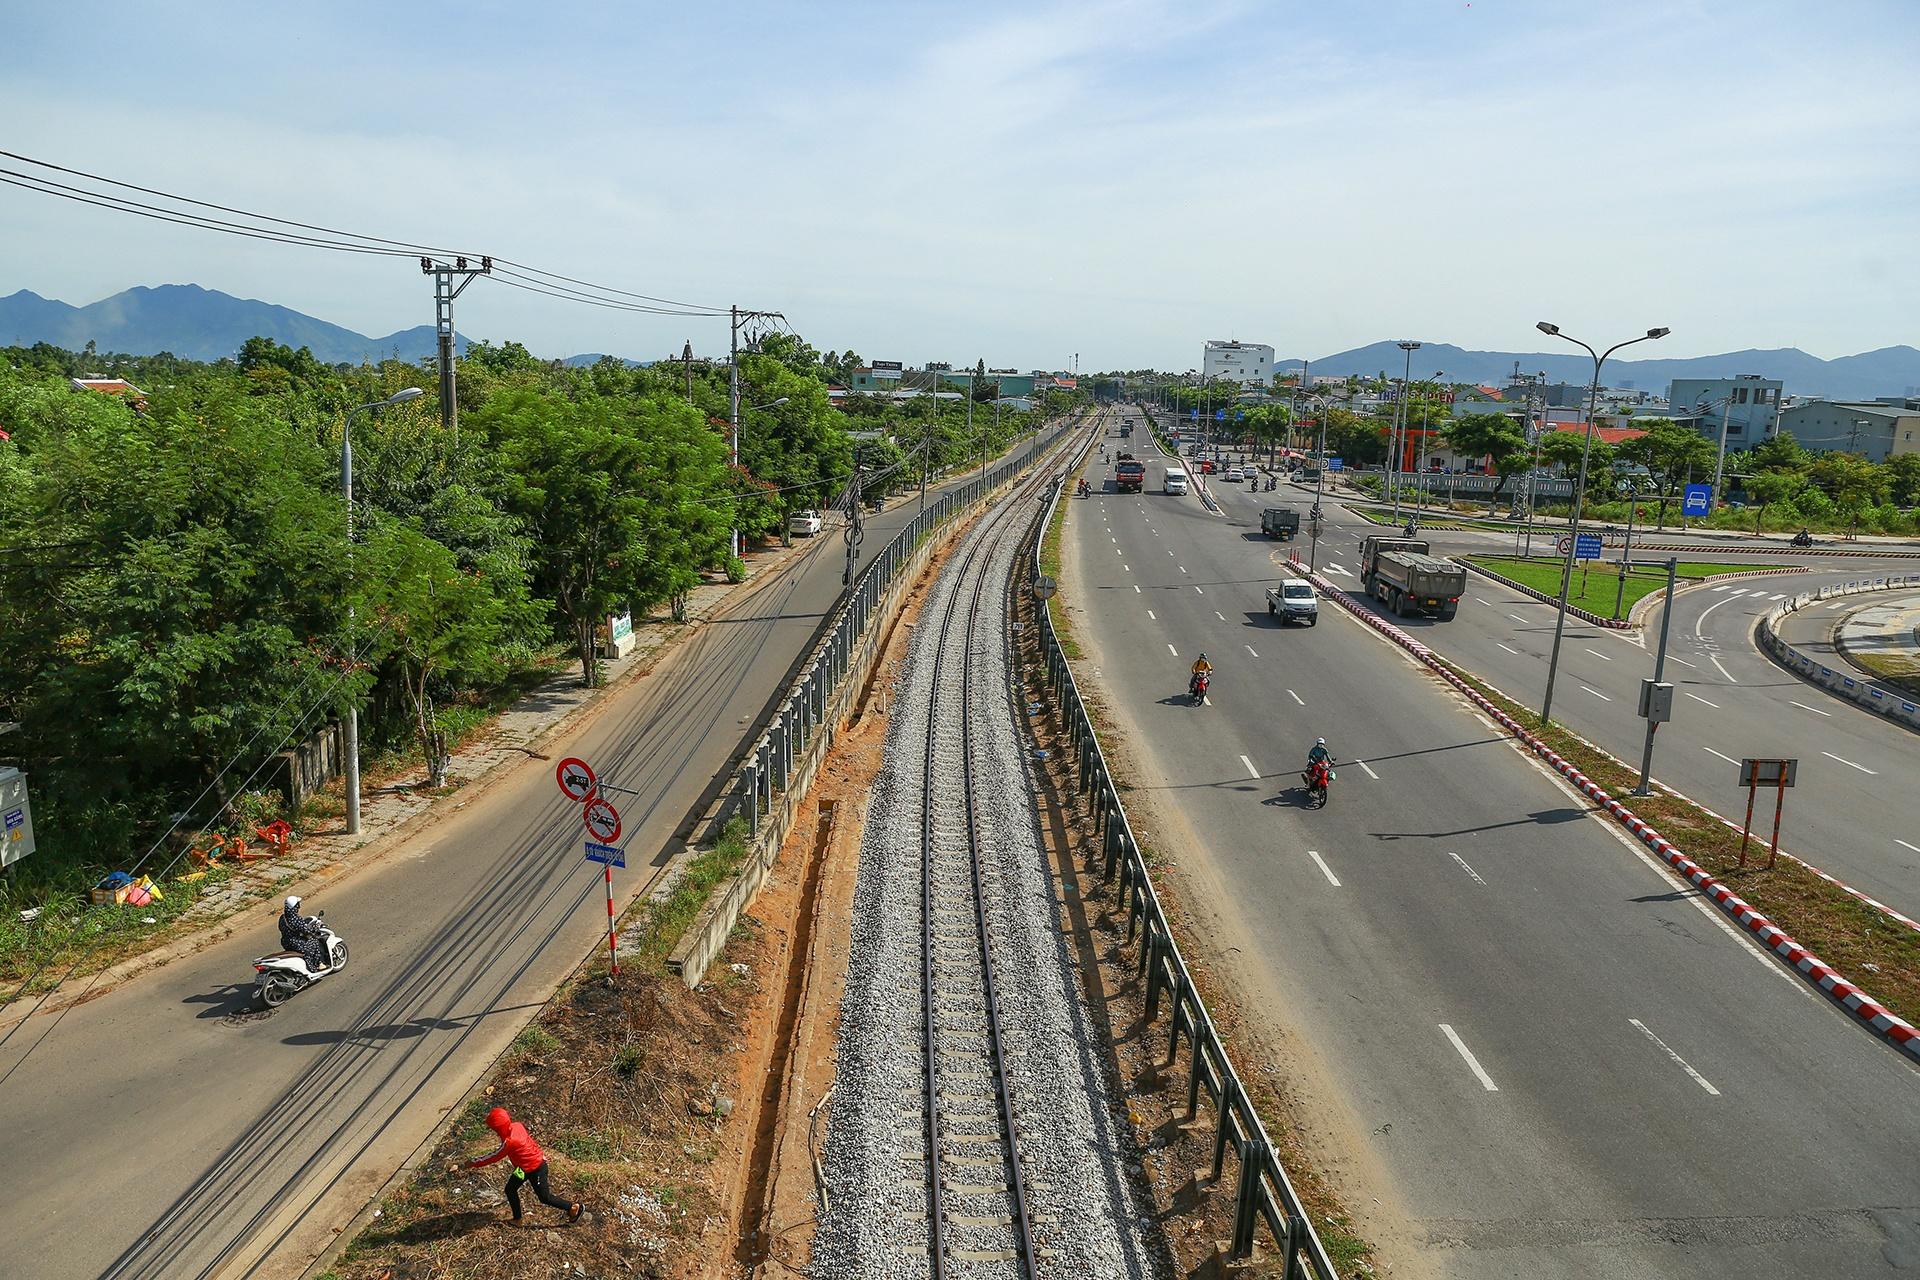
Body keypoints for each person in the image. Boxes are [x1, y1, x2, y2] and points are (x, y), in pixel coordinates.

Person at [464, 1106, 583, 1225]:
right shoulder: (517, 1126)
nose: (494, 1132)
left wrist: (474, 1162)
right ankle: (517, 1219)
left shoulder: (510, 1142)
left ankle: (572, 1208)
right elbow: (529, 1141)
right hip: (522, 1169)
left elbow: (494, 1156)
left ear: (499, 1128)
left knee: (544, 1197)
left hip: (536, 1169)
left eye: (495, 1129)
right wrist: (540, 1153)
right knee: (510, 1189)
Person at [278, 896, 328, 974]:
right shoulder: (295, 919)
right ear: (295, 906)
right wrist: (314, 930)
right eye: (298, 904)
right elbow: (306, 931)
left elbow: (282, 928)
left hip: (285, 942)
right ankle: (318, 964)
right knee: (314, 942)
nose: (299, 906)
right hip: (296, 943)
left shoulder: (282, 918)